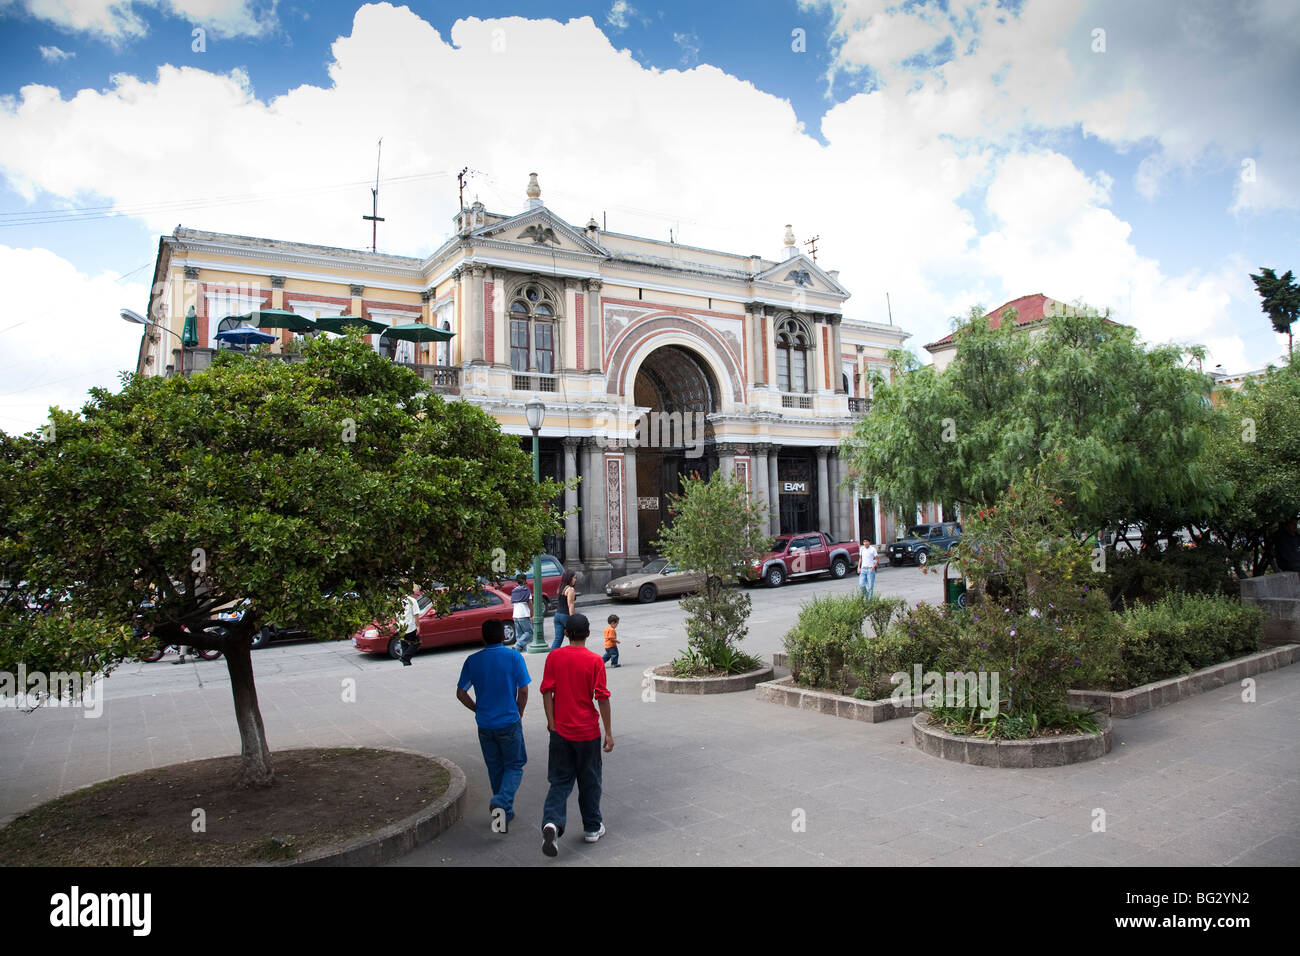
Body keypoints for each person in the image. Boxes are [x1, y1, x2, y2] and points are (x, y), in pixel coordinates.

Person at [539, 613, 613, 857]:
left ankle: (552, 823)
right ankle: (592, 827)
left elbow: (546, 692)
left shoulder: (554, 656)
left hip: (560, 731)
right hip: (587, 732)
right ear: (589, 634)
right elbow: (602, 697)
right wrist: (608, 732)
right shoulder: (595, 661)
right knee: (590, 781)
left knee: (559, 781)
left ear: (567, 634)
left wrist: (551, 722)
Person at [456, 618, 532, 832]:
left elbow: (461, 693)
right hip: (509, 720)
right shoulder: (513, 657)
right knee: (515, 765)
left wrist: (477, 709)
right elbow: (524, 690)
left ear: (483, 637)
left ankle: (502, 818)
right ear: (503, 636)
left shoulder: (473, 660)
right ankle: (502, 800)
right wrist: (520, 712)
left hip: (485, 724)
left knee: (496, 769)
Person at [551, 570, 577, 651]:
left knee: (558, 639)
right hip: (565, 615)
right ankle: (575, 656)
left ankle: (551, 657)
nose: (575, 580)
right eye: (574, 578)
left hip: (557, 615)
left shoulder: (561, 588)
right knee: (574, 638)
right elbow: (570, 604)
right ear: (569, 578)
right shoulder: (570, 589)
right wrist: (572, 619)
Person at [398, 584, 422, 666]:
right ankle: (404, 658)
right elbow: (416, 615)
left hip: (401, 627)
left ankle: (406, 662)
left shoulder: (398, 601)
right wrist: (418, 626)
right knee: (416, 643)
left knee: (404, 644)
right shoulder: (412, 600)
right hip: (410, 626)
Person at [510, 572, 533, 652]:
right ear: (524, 580)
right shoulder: (526, 590)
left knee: (520, 636)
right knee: (529, 633)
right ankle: (517, 645)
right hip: (523, 614)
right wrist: (532, 613)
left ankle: (521, 652)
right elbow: (530, 602)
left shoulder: (514, 590)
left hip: (515, 615)